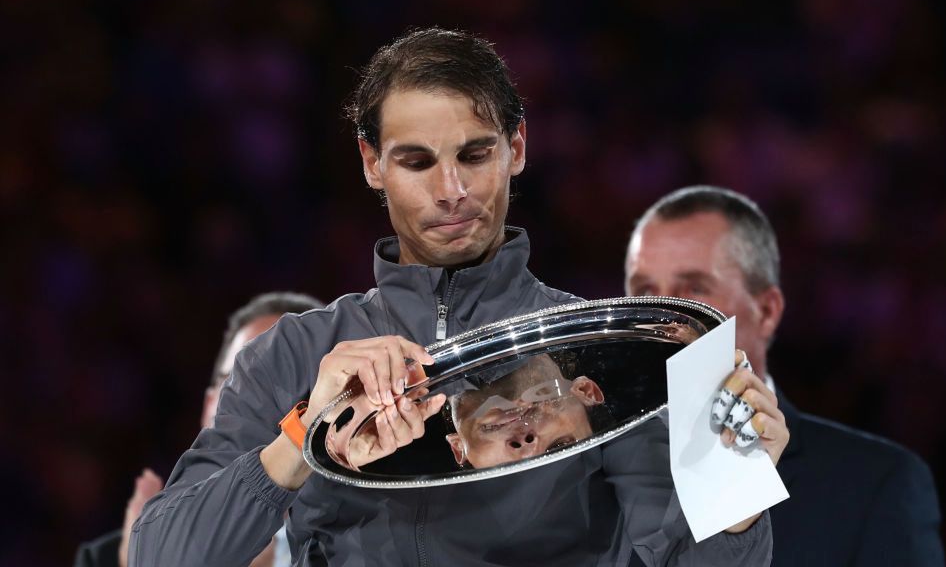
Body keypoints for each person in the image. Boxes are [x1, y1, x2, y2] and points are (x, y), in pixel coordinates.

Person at [131, 28, 786, 566]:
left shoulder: (602, 350)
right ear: (371, 163)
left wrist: (736, 496)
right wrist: (304, 437)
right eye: (416, 162)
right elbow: (162, 555)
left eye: (475, 155)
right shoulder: (297, 353)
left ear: (517, 148)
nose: (451, 191)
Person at [625, 185, 945, 566]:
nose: (664, 315)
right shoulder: (595, 481)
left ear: (767, 310)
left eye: (694, 289)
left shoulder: (876, 486)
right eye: (645, 291)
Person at [74, 291, 323, 567]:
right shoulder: (112, 559)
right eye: (242, 380)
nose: (263, 405)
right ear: (209, 405)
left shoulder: (358, 546)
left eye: (292, 388)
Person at [443, 353, 608, 468]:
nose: (526, 448)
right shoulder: (560, 307)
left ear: (458, 447)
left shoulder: (417, 361)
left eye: (508, 470)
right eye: (559, 447)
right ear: (585, 392)